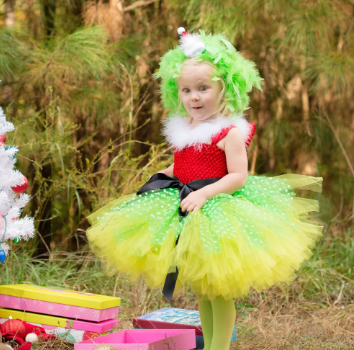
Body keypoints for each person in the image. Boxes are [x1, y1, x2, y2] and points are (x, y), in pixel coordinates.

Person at [86, 28, 323, 350]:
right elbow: (185, 164)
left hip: (217, 207)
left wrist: (204, 193)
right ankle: (209, 343)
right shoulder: (187, 128)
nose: (193, 97)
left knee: (220, 289)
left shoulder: (229, 132)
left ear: (225, 90)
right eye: (186, 90)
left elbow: (238, 176)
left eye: (202, 88)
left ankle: (219, 347)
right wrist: (165, 173)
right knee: (203, 288)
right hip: (186, 204)